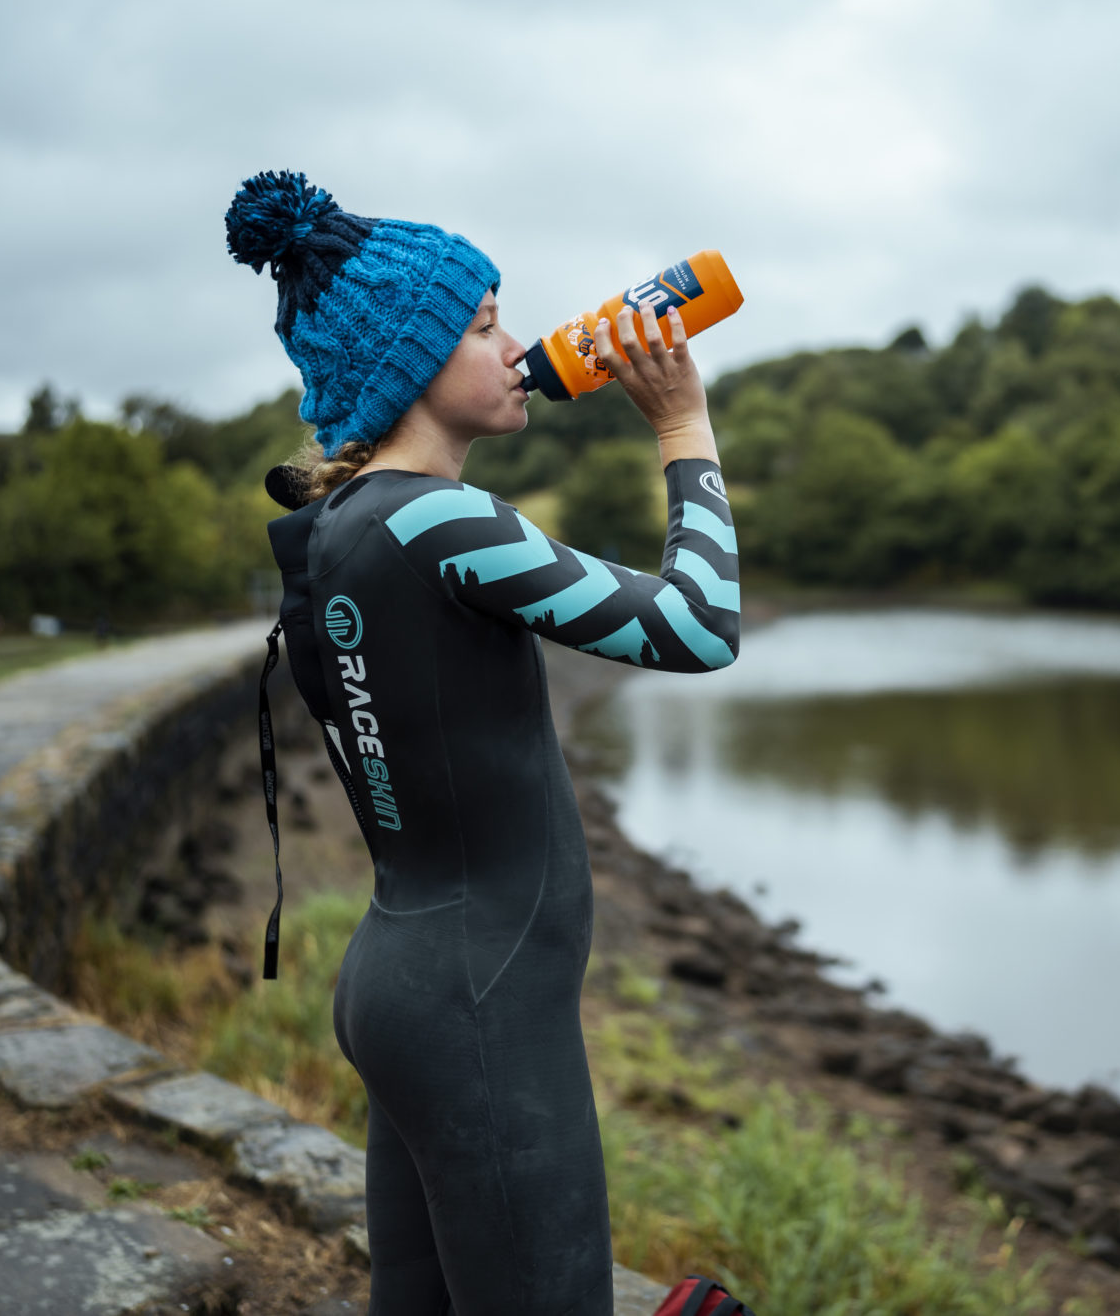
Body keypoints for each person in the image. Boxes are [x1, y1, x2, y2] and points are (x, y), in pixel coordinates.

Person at [228, 170, 741, 1316]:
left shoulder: (343, 529)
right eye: (482, 324)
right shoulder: (437, 518)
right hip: (480, 1001)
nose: (513, 345)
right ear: (410, 360)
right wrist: (682, 428)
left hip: (402, 979)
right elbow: (698, 624)